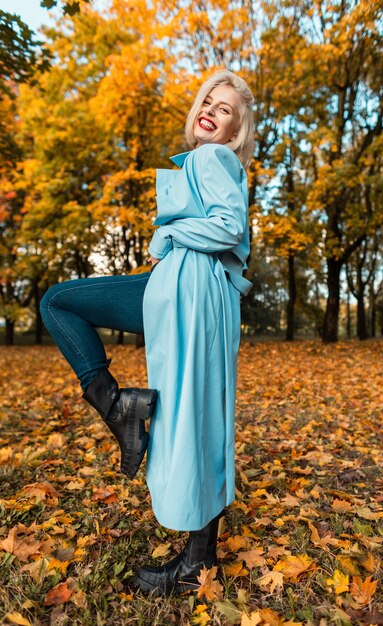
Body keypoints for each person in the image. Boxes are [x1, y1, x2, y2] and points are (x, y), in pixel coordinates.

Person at [40, 69, 255, 596]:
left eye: (224, 109)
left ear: (235, 133)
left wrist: (168, 231)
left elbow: (230, 227)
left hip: (189, 291)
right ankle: (198, 561)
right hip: (190, 293)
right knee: (202, 417)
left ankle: (118, 406)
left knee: (58, 301)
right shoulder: (206, 161)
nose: (210, 109)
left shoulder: (212, 158)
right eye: (208, 99)